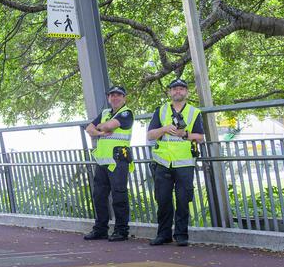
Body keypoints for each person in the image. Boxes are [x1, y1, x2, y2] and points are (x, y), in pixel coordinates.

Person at [147, 79, 205, 247]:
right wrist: (164, 129)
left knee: (182, 200)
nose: (178, 91)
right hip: (163, 162)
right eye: (174, 89)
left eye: (181, 89)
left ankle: (181, 235)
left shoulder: (194, 112)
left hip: (184, 163)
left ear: (186, 92)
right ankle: (163, 234)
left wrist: (184, 134)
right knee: (163, 200)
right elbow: (150, 135)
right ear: (170, 92)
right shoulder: (161, 111)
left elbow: (200, 137)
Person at [83, 85, 134, 242]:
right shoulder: (105, 113)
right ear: (108, 98)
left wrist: (102, 127)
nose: (115, 98)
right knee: (98, 196)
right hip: (103, 162)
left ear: (124, 98)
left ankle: (121, 230)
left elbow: (109, 126)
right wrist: (100, 131)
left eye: (119, 95)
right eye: (112, 95)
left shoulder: (126, 113)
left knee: (119, 197)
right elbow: (89, 128)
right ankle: (101, 229)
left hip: (118, 161)